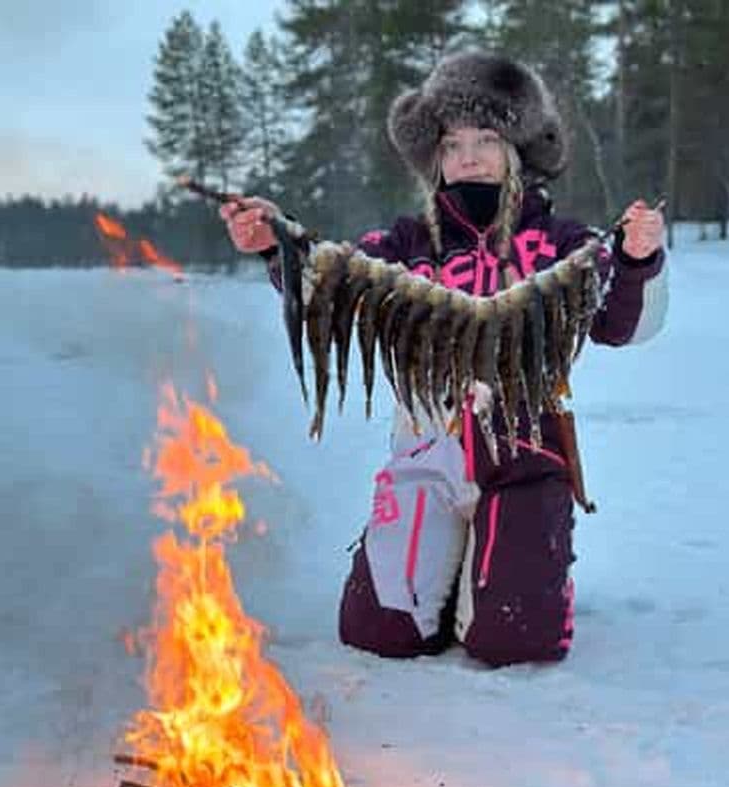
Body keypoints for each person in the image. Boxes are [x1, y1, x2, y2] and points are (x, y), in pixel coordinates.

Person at [221, 50, 667, 667]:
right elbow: (338, 285)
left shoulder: (562, 242)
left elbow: (623, 324)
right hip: (425, 447)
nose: (469, 155)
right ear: (435, 156)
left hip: (524, 450)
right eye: (453, 142)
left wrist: (639, 257)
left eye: (486, 137)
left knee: (511, 640)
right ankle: (440, 562)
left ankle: (522, 571)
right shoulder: (405, 243)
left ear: (518, 148)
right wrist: (278, 244)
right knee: (379, 632)